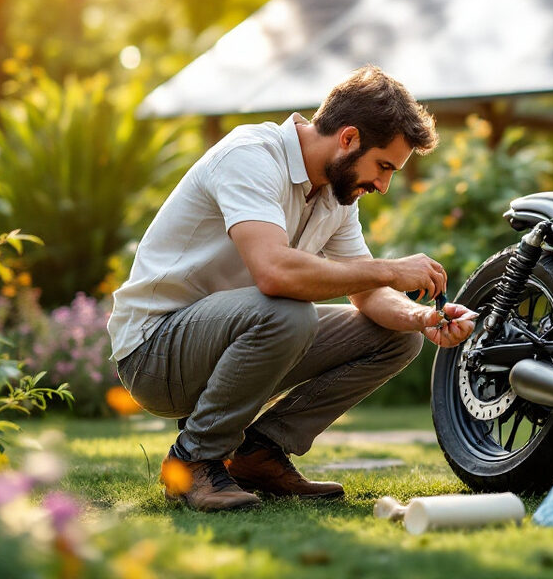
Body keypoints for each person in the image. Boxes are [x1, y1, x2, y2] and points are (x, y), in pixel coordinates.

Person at [106, 65, 476, 512]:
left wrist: (423, 318)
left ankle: (257, 454)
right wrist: (390, 270)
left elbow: (366, 295)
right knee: (288, 311)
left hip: (233, 340)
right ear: (348, 138)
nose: (383, 184)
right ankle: (193, 459)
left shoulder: (336, 196)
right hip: (154, 351)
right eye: (383, 166)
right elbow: (275, 274)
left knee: (397, 337)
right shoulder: (250, 156)